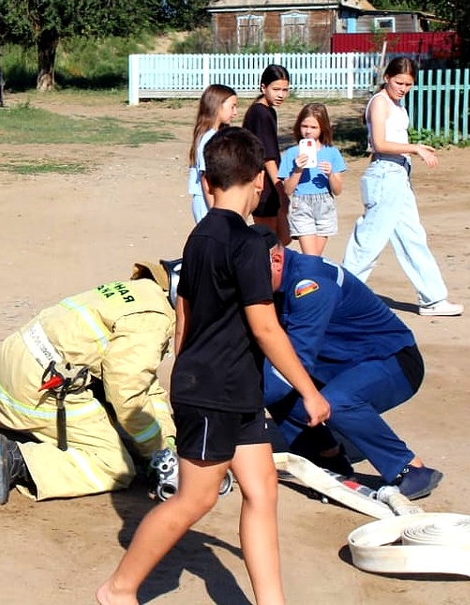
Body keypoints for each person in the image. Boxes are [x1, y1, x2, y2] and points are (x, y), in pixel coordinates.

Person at [96, 127, 329, 605]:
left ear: (207, 183)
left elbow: (184, 312)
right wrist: (309, 390)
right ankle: (117, 590)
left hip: (232, 385)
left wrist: (185, 370)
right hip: (213, 390)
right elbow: (265, 328)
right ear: (259, 183)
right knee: (196, 498)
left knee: (262, 489)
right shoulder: (248, 244)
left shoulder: (198, 236)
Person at [262, 235, 443, 500]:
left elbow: (294, 361)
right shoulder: (273, 277)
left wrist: (232, 411)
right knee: (272, 382)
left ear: (276, 260)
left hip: (392, 361)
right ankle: (327, 459)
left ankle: (411, 469)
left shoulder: (310, 286)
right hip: (341, 364)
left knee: (332, 400)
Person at [0, 262, 178, 505]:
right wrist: (160, 455)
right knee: (115, 465)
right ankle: (19, 460)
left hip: (18, 363)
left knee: (132, 431)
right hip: (38, 388)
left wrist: (167, 441)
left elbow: (147, 385)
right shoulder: (153, 320)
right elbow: (129, 394)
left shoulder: (141, 293)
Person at [342, 58, 462, 316]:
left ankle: (433, 299)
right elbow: (379, 143)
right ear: (387, 77)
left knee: (413, 237)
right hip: (384, 172)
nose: (404, 88)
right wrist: (415, 148)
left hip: (399, 174)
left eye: (408, 84)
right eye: (399, 82)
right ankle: (340, 298)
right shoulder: (380, 102)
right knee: (369, 240)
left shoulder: (397, 105)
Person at [278, 103, 346, 256]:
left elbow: (337, 190)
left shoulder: (332, 153)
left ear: (323, 128)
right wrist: (298, 170)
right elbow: (287, 190)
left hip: (325, 205)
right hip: (301, 204)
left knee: (315, 258)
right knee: (311, 258)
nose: (308, 131)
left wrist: (330, 175)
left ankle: (310, 278)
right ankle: (308, 278)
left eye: (313, 127)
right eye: (304, 126)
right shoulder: (291, 153)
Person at [242, 64, 291, 246]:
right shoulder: (260, 113)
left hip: (270, 185)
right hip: (264, 187)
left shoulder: (268, 111)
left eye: (285, 90)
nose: (281, 95)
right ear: (264, 87)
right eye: (276, 89)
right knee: (270, 244)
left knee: (284, 238)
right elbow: (268, 156)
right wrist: (281, 191)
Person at [187, 84, 238, 223]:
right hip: (207, 200)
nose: (235, 112)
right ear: (217, 106)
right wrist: (215, 210)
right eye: (232, 106)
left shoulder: (215, 134)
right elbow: (206, 178)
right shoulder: (208, 138)